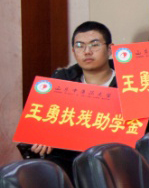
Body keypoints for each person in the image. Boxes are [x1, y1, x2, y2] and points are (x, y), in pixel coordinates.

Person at [18, 20, 117, 177]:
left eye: (94, 45)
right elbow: (39, 123)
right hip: (71, 161)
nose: (87, 51)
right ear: (73, 51)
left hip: (116, 160)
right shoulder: (61, 81)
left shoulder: (129, 82)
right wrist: (41, 136)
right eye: (80, 46)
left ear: (110, 49)